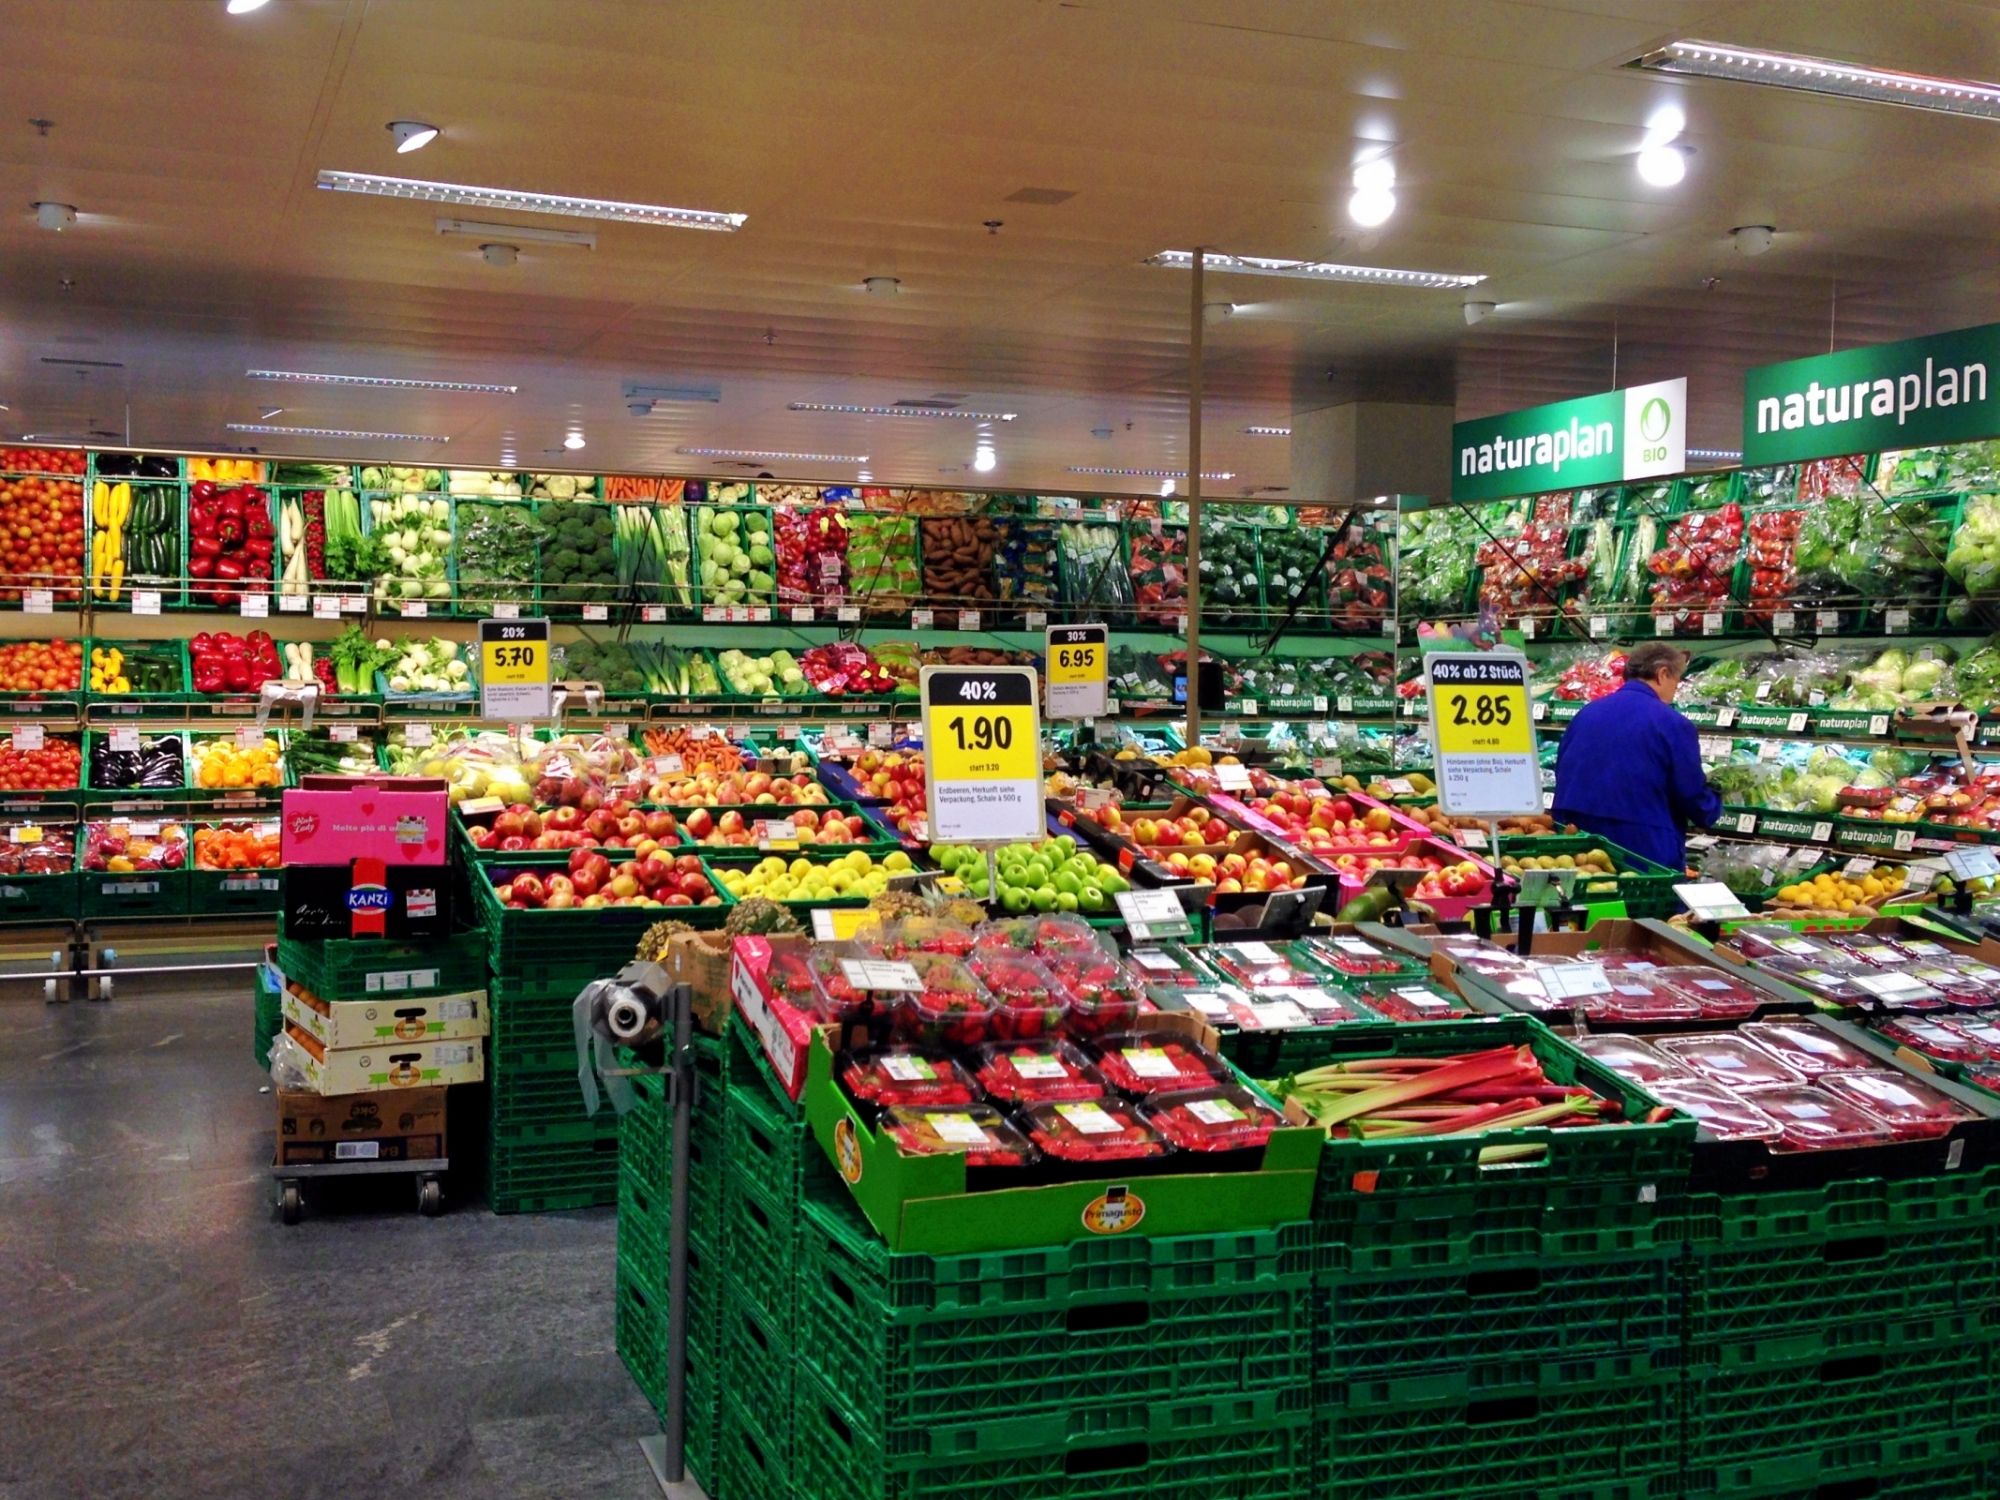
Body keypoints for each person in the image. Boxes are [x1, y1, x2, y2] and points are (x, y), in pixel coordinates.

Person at [1551, 642, 1721, 873]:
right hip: (1640, 841)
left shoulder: (1586, 714)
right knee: (1649, 905)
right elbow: (1691, 793)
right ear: (1662, 674)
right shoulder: (1672, 723)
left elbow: (1562, 769)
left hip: (1576, 834)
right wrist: (1715, 801)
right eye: (1676, 680)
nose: (1676, 689)